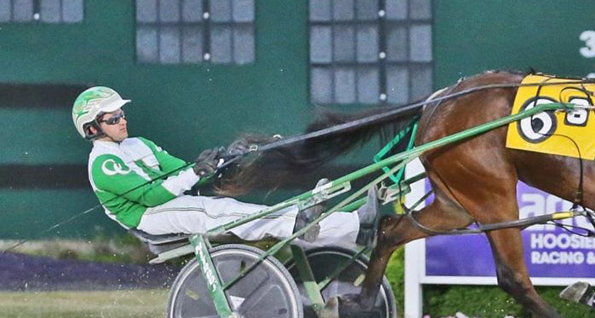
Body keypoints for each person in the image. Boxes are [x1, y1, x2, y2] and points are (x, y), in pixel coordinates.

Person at [72, 86, 378, 249]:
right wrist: (195, 172)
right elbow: (152, 197)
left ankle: (353, 228)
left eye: (121, 114)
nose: (122, 120)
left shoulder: (139, 144)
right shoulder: (103, 163)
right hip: (146, 217)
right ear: (91, 129)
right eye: (112, 119)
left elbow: (184, 171)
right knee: (214, 213)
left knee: (226, 207)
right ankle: (298, 223)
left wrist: (224, 158)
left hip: (169, 204)